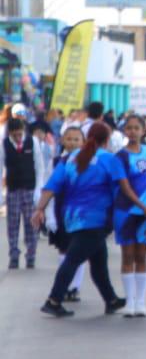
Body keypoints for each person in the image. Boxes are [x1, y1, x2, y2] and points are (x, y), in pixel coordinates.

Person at [33, 122, 146, 318]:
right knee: (73, 260)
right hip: (96, 220)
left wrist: (39, 209)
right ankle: (53, 300)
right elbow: (122, 188)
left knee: (99, 261)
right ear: (106, 140)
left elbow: (52, 185)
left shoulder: (71, 158)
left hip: (72, 217)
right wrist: (141, 207)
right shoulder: (109, 159)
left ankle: (111, 300)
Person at [114, 114, 146, 317]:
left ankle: (140, 302)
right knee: (127, 255)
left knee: (142, 255)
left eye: (136, 128)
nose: (132, 131)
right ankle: (129, 302)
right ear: (124, 131)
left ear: (143, 130)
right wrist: (141, 205)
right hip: (126, 211)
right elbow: (124, 186)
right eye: (129, 128)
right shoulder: (120, 156)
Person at [46, 127, 87, 301]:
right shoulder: (56, 162)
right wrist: (49, 215)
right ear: (62, 141)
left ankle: (75, 286)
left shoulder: (89, 163)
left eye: (76, 139)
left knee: (79, 250)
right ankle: (65, 285)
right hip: (61, 211)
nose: (72, 142)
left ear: (84, 142)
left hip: (83, 213)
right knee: (64, 250)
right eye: (69, 139)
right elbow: (47, 187)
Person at [4, 117, 42, 269]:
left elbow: (39, 166)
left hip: (29, 188)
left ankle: (31, 255)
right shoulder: (4, 144)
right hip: (13, 189)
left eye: (20, 134)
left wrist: (39, 188)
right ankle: (14, 255)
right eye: (15, 135)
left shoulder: (33, 142)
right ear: (9, 133)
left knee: (31, 224)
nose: (18, 138)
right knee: (12, 225)